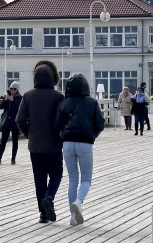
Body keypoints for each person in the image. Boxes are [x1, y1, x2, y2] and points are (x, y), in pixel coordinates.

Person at [16, 60, 65, 223]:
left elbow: (20, 119)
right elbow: (63, 120)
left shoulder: (28, 95)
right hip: (54, 144)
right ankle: (49, 197)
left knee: (39, 178)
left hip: (35, 145)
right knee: (57, 174)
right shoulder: (59, 97)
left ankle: (43, 214)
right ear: (53, 77)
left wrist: (29, 134)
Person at [56, 73, 105, 226]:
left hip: (68, 143)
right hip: (85, 143)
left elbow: (56, 126)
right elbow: (100, 123)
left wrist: (63, 134)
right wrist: (92, 135)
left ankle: (72, 217)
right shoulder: (91, 102)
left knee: (72, 179)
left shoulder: (63, 103)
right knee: (86, 179)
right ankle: (79, 202)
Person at [0, 81, 22, 164]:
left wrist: (12, 101)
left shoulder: (20, 98)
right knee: (3, 141)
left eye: (14, 89)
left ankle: (13, 159)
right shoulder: (7, 96)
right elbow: (0, 106)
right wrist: (6, 100)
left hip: (15, 122)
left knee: (15, 140)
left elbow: (18, 108)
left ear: (17, 90)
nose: (12, 90)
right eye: (11, 88)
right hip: (7, 121)